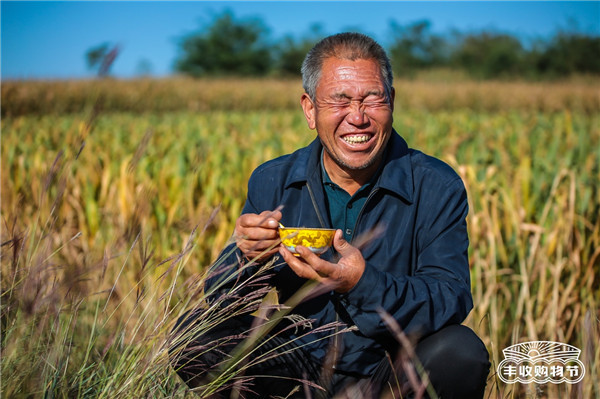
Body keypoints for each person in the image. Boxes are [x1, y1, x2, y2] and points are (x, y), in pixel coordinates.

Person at [171, 32, 490, 398]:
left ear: (392, 102)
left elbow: (450, 297)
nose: (357, 118)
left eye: (373, 99)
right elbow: (221, 304)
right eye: (340, 101)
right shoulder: (273, 180)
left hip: (389, 372)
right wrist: (244, 257)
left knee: (460, 352)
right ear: (310, 109)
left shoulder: (435, 185)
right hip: (295, 368)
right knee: (196, 336)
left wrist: (362, 283)